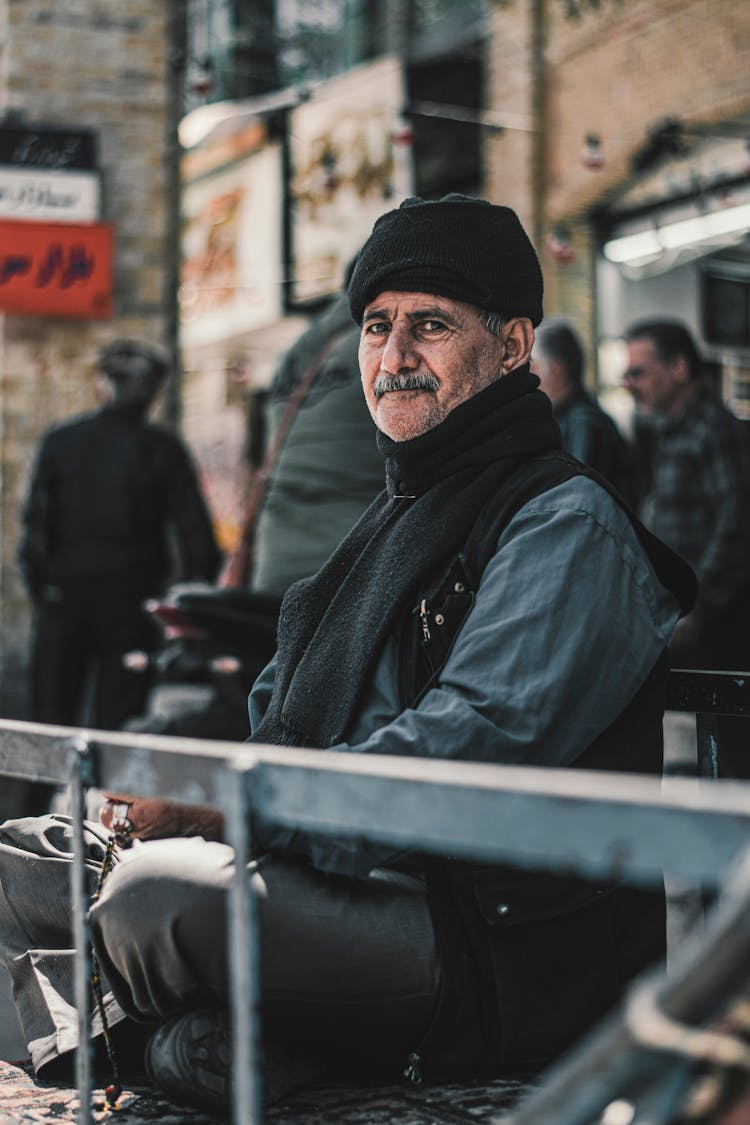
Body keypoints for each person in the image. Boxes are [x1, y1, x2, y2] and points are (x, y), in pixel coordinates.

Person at [0, 196, 695, 1114]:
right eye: (377, 326)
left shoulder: (562, 520)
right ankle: (199, 1040)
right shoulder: (396, 517)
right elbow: (273, 715)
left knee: (153, 900)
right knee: (22, 857)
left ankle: (162, 1038)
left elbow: (464, 753)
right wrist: (188, 797)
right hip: (330, 876)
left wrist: (229, 812)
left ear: (514, 345)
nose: (395, 355)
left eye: (431, 326)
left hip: (471, 933)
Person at [16, 340, 222, 731]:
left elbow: (34, 530)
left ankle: (42, 796)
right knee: (116, 730)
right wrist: (189, 608)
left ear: (101, 385)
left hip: (64, 599)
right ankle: (104, 796)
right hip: (133, 602)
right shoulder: (162, 448)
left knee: (48, 726)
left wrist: (44, 590)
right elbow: (197, 541)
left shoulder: (60, 442)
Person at [622, 319, 750, 671]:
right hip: (686, 615)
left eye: (639, 372)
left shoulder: (714, 429)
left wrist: (699, 605)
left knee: (722, 724)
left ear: (678, 367)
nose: (629, 384)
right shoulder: (670, 431)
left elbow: (735, 527)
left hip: (718, 623)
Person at [532, 317, 635, 502]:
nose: (529, 378)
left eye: (533, 367)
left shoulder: (584, 422)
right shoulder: (567, 417)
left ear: (556, 369)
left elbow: (575, 497)